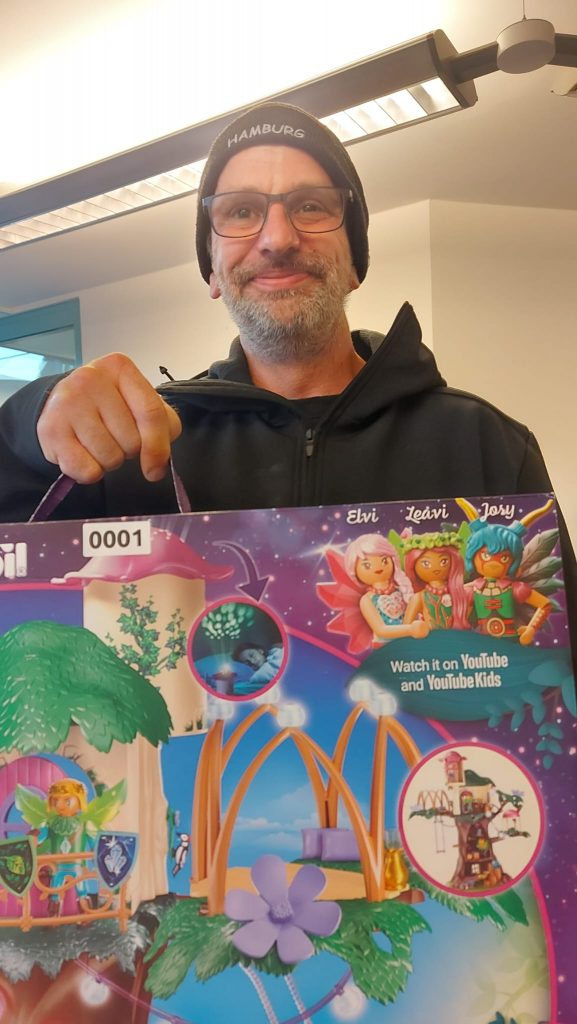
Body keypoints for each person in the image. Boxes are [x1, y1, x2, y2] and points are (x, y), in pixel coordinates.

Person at [0, 100, 575, 644]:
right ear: (212, 272)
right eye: (241, 212)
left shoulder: (486, 445)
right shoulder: (137, 448)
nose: (277, 239)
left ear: (355, 263)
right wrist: (31, 420)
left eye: (311, 206)